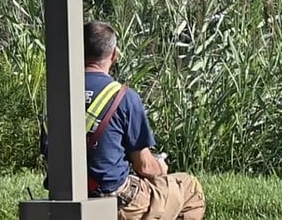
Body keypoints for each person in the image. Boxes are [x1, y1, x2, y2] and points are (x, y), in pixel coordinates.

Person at [42, 21, 206, 219]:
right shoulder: (123, 96)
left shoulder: (56, 96)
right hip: (117, 198)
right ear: (114, 55)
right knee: (189, 188)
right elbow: (144, 166)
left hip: (63, 197)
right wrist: (161, 166)